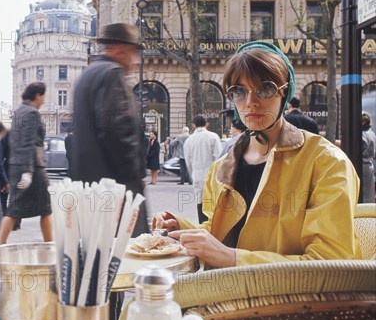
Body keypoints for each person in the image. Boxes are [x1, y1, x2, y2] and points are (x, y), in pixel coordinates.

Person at [153, 41, 361, 268]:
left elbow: (331, 263)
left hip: (296, 302)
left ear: (284, 94)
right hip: (226, 292)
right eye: (239, 92)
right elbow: (222, 230)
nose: (251, 102)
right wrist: (182, 229)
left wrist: (231, 258)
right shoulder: (222, 168)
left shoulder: (327, 162)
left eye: (265, 89)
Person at [71, 23, 149, 236]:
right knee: (128, 253)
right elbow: (117, 130)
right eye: (133, 53)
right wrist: (134, 175)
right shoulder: (111, 74)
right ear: (118, 50)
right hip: (117, 187)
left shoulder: (88, 75)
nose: (135, 61)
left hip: (91, 187)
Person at [0, 82, 52, 244]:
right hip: (33, 168)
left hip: (16, 166)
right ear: (37, 95)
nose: (43, 100)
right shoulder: (31, 113)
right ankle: (50, 245)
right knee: (45, 209)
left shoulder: (18, 112)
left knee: (14, 209)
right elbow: (28, 143)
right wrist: (28, 172)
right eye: (43, 96)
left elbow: (15, 142)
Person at [183, 115, 222, 224]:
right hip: (213, 174)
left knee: (200, 202)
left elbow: (188, 162)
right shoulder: (213, 137)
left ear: (193, 125)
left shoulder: (189, 140)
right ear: (207, 124)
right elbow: (219, 158)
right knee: (214, 202)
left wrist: (192, 176)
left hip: (197, 175)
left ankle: (203, 225)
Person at [361, 111, 376, 203]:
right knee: (369, 193)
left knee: (363, 194)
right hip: (370, 167)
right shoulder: (372, 134)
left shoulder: (360, 134)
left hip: (361, 166)